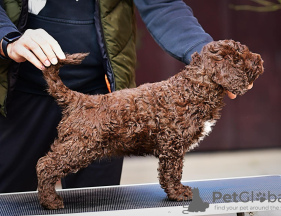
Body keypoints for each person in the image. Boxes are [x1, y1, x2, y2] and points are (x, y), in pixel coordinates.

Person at [0, 0, 225, 193]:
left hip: (106, 97)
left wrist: (209, 56)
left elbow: (162, 3)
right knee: (9, 199)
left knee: (96, 203)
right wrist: (7, 39)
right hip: (19, 91)